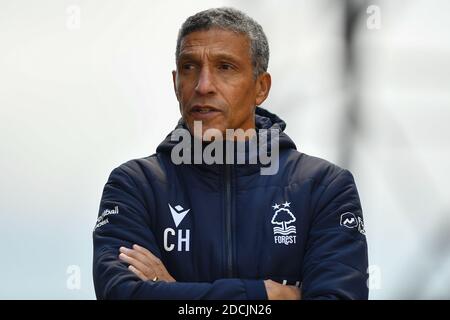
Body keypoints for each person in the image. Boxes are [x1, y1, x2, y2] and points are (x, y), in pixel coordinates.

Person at [92, 7, 368, 300]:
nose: (203, 85)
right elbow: (122, 295)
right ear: (176, 84)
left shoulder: (323, 187)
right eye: (189, 67)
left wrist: (170, 289)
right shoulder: (136, 186)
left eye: (225, 67)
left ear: (261, 87)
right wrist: (266, 294)